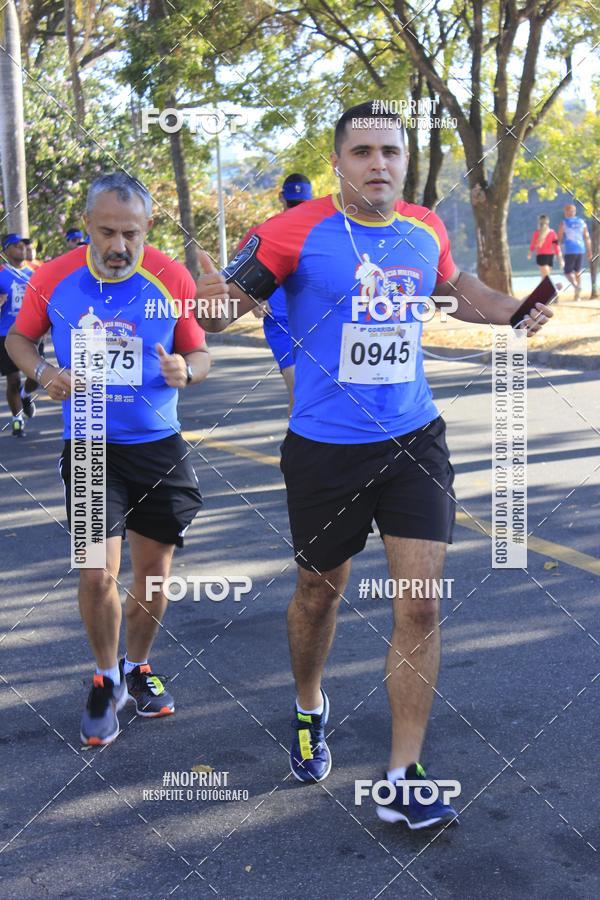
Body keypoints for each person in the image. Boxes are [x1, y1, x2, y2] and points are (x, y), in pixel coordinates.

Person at [195, 101, 553, 830]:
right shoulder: (293, 232)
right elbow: (219, 312)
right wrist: (204, 294)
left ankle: (403, 773)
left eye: (390, 151)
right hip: (325, 450)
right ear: (339, 163)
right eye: (363, 152)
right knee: (319, 594)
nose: (379, 164)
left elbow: (464, 296)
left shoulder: (423, 228)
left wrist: (516, 309)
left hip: (413, 440)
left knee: (419, 601)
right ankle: (308, 704)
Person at [7, 172, 210, 746]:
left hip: (158, 448)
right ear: (88, 226)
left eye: (131, 233)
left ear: (147, 227)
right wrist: (45, 373)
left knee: (154, 572)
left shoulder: (171, 275)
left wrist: (186, 372)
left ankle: (136, 667)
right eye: (106, 232)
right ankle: (103, 676)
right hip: (91, 442)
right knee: (98, 569)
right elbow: (19, 340)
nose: (118, 246)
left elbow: (198, 352)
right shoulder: (53, 276)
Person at [242, 174, 313, 413]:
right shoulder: (263, 232)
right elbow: (239, 277)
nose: (295, 210)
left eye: (301, 205)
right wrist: (253, 300)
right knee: (299, 395)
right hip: (280, 324)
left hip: (317, 326)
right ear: (281, 198)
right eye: (292, 204)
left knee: (320, 398)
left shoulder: (323, 235)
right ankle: (297, 449)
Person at [0, 234, 39, 436]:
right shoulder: (0, 273)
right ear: (6, 250)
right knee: (13, 379)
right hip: (5, 334)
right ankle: (17, 421)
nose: (22, 248)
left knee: (36, 376)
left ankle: (26, 394)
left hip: (33, 333)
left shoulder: (36, 272)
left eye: (24, 245)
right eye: (16, 245)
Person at [557, 203, 592, 300]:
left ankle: (576, 287)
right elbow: (587, 237)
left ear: (567, 212)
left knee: (567, 272)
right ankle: (577, 296)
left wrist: (556, 249)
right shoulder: (581, 222)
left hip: (570, 250)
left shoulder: (564, 222)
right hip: (581, 249)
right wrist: (589, 250)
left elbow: (559, 238)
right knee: (577, 272)